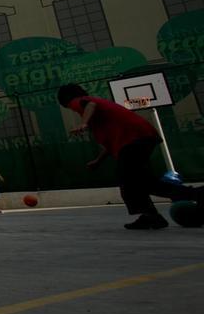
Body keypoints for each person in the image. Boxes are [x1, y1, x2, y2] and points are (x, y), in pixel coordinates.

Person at [58, 83, 204, 229]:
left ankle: (168, 208)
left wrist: (83, 124)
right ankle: (166, 208)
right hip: (140, 136)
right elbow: (112, 143)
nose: (73, 109)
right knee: (141, 181)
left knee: (129, 180)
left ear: (67, 100)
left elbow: (90, 105)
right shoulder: (104, 117)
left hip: (135, 138)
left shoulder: (81, 101)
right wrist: (98, 160)